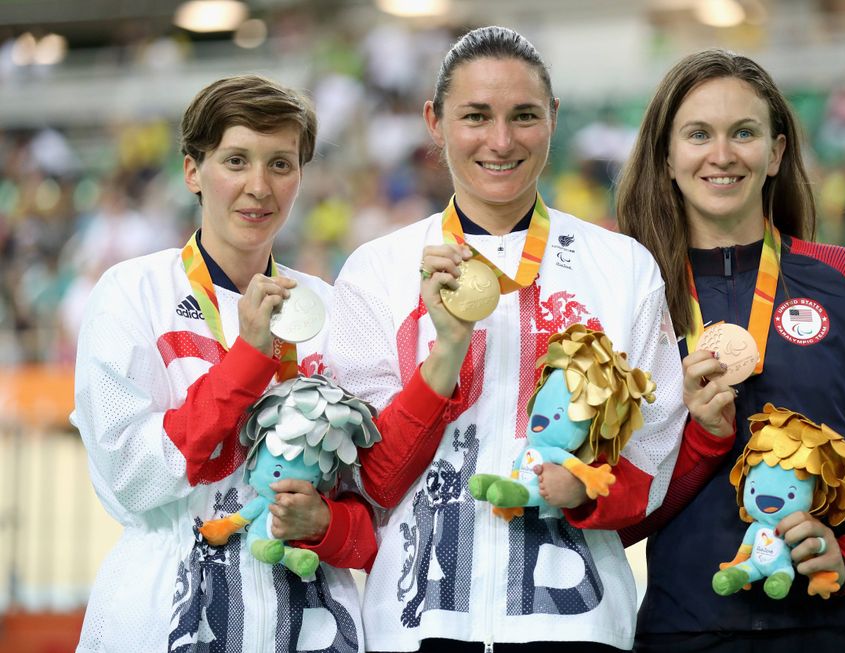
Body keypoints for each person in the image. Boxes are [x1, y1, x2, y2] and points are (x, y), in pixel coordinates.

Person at [326, 25, 693, 653]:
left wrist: (588, 488)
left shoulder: (622, 266)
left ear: (552, 118)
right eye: (475, 116)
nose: (501, 141)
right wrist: (444, 351)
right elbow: (370, 478)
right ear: (434, 122)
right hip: (417, 625)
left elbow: (652, 453)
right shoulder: (377, 269)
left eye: (524, 116)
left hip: (578, 623)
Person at [71, 74, 458, 653]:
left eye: (281, 164)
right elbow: (133, 478)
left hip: (311, 617)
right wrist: (250, 358)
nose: (258, 186)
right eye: (235, 160)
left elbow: (374, 504)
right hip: (165, 612)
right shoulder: (131, 292)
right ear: (192, 172)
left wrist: (327, 527)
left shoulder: (329, 306)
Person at [616, 49, 845, 652]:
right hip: (686, 631)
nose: (722, 155)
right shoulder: (631, 299)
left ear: (776, 152)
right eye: (698, 134)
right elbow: (614, 518)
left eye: (744, 133)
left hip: (840, 629)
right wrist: (702, 444)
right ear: (667, 157)